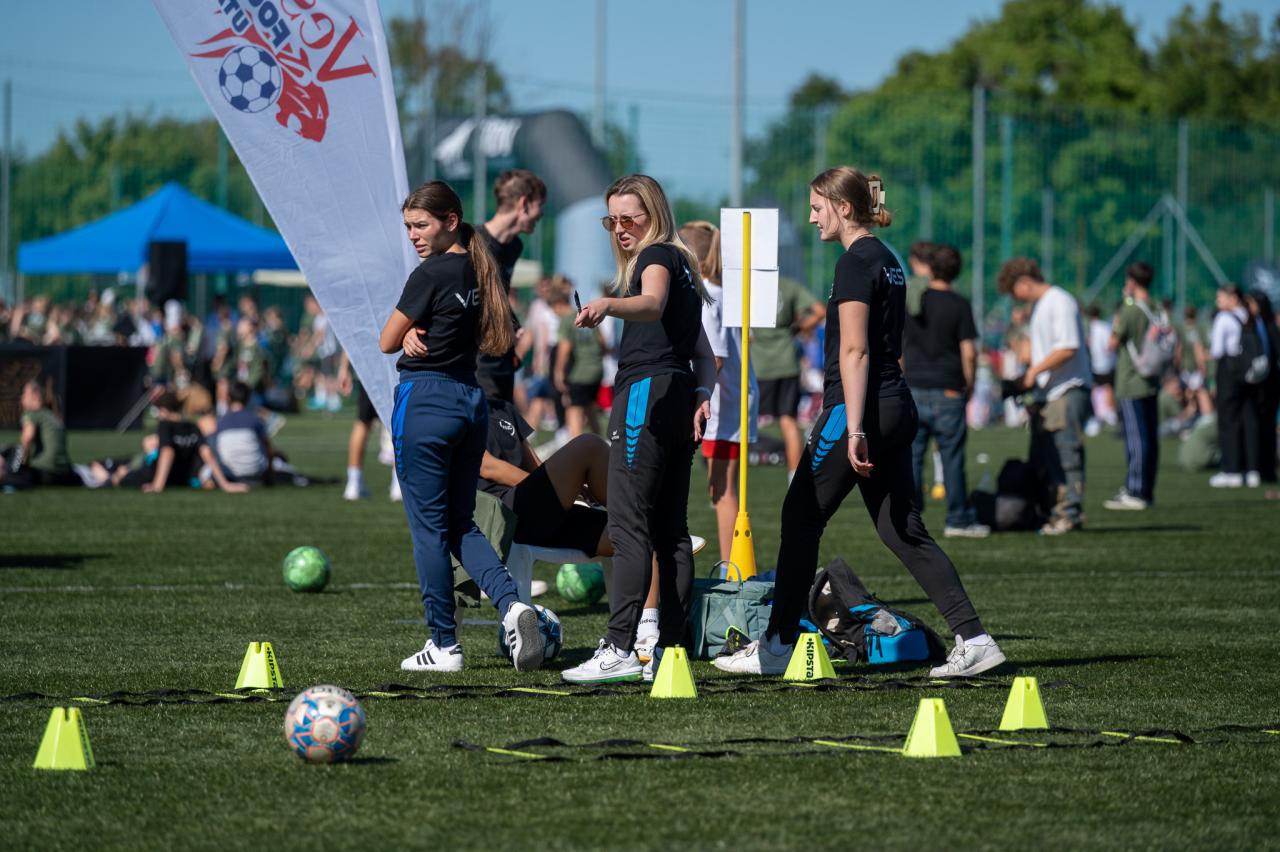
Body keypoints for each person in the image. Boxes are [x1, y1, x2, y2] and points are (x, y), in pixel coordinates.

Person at [715, 166, 1004, 679]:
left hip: (861, 409)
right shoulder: (889, 260)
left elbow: (855, 350)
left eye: (817, 207)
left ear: (843, 207)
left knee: (800, 517)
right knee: (901, 530)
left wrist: (853, 429)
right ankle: (976, 639)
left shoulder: (854, 262)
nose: (811, 218)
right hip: (896, 403)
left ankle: (778, 644)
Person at [379, 179, 544, 674]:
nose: (413, 235)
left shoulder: (430, 272)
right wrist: (415, 329)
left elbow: (386, 340)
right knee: (460, 523)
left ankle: (444, 644)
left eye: (420, 225)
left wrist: (408, 330)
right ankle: (512, 606)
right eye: (408, 227)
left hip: (426, 402)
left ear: (450, 221)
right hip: (471, 402)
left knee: (429, 532)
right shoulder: (480, 268)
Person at [560, 174, 717, 684]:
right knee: (671, 532)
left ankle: (619, 646)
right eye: (612, 221)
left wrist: (608, 304)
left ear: (655, 215)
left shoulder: (655, 259)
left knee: (628, 527)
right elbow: (703, 353)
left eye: (631, 218)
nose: (621, 229)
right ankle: (671, 652)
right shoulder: (683, 264)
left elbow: (650, 303)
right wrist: (702, 394)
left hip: (646, 396)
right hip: (677, 395)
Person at [679, 220, 759, 561]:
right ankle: (732, 563)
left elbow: (715, 359)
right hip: (733, 400)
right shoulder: (724, 293)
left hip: (723, 406)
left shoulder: (709, 295)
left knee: (722, 492)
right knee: (725, 490)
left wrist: (691, 395)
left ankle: (731, 566)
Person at [901, 242, 989, 538]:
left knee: (912, 457)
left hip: (914, 387)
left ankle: (909, 519)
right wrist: (969, 384)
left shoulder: (913, 301)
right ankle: (957, 519)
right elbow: (969, 352)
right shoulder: (959, 305)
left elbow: (900, 346)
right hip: (949, 390)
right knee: (951, 457)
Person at [998, 257, 1093, 534]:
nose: (1015, 297)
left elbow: (1068, 347)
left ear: (1024, 282)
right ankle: (1052, 511)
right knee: (1046, 458)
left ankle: (1070, 514)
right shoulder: (1039, 307)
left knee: (1066, 455)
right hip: (1049, 392)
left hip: (1067, 389)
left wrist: (1034, 372)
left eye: (1014, 290)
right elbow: (1031, 353)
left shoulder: (1059, 301)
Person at [478, 169, 546, 405]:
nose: (542, 213)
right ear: (524, 204)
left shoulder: (514, 246)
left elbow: (498, 296)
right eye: (540, 205)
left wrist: (513, 324)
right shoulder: (472, 242)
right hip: (476, 365)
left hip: (501, 359)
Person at [752, 277, 826, 481]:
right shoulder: (789, 286)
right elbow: (820, 311)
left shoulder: (749, 283)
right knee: (789, 421)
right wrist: (797, 329)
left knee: (742, 422)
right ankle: (794, 480)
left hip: (758, 365)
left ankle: (727, 483)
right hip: (787, 363)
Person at [1105, 262, 1163, 510]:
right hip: (1151, 379)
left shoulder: (1130, 310)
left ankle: (1135, 490)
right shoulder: (1156, 308)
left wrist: (1123, 307)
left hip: (1131, 380)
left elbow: (1112, 342)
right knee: (1149, 437)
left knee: (1136, 438)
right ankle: (1146, 489)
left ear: (1132, 281)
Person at [1209, 283, 1261, 488]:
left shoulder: (1224, 318)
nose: (1217, 301)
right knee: (1248, 419)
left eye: (1220, 297)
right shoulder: (1249, 316)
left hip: (1229, 371)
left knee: (1228, 420)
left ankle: (1231, 470)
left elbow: (1217, 350)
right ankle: (1252, 469)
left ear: (1233, 298)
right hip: (1249, 371)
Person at [144, 392, 247, 494]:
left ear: (164, 410)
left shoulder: (165, 425)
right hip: (187, 479)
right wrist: (225, 484)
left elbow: (167, 452)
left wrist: (157, 485)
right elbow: (206, 452)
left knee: (146, 447)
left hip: (168, 477)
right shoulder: (192, 426)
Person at [0, 378, 81, 489]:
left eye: (25, 393)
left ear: (36, 395)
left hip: (44, 472)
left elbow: (28, 437)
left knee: (12, 451)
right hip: (65, 473)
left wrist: (23, 461)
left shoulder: (32, 414)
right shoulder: (52, 415)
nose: (22, 397)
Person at [554, 277, 609, 438]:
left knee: (574, 412)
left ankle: (576, 447)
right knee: (590, 409)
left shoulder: (566, 321)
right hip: (596, 370)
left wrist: (558, 373)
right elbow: (603, 343)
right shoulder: (585, 314)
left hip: (580, 373)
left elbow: (564, 349)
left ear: (557, 305)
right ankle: (602, 444)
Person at [1245, 290, 1280, 482]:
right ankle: (1258, 466)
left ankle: (1266, 468)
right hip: (1261, 385)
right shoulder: (1256, 325)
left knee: (1266, 426)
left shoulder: (1269, 327)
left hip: (1268, 386)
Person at [1086, 304, 1117, 432]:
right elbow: (1109, 345)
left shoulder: (1091, 328)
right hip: (1105, 363)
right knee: (1107, 386)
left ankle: (1101, 413)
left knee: (1097, 386)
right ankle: (1108, 412)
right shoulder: (1104, 327)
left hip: (1096, 363)